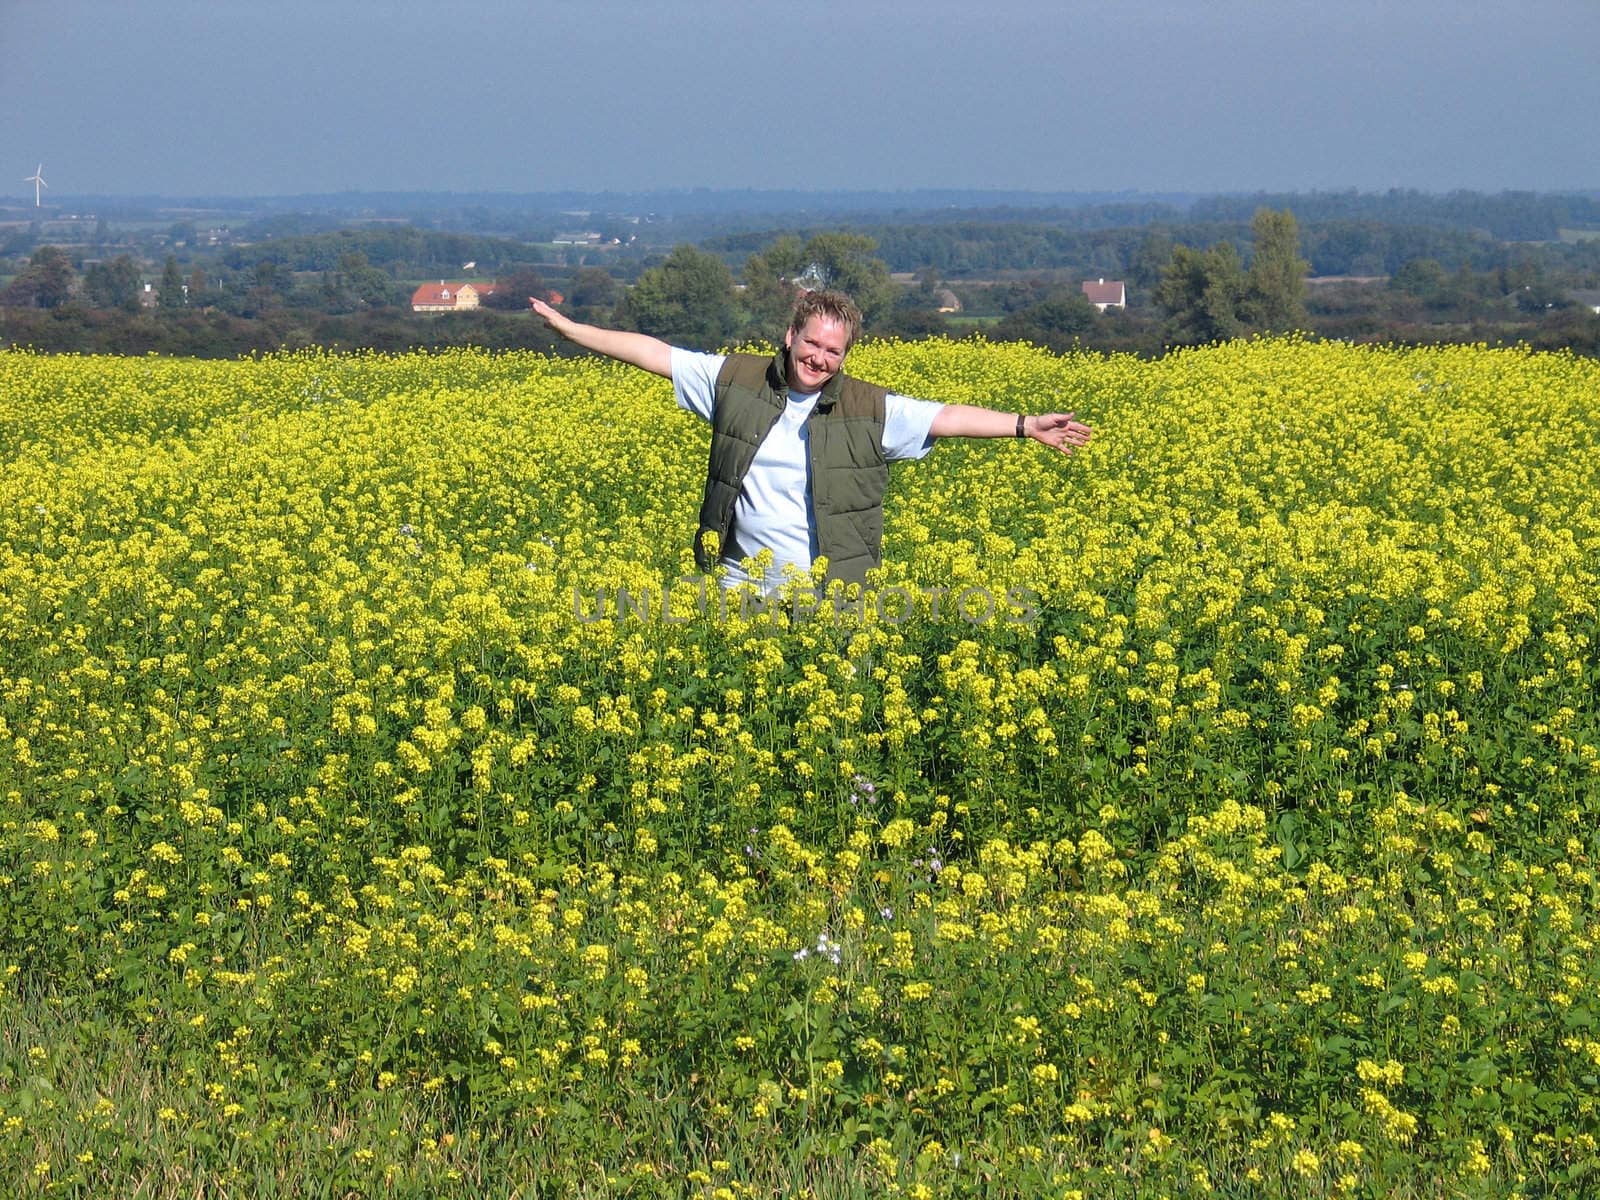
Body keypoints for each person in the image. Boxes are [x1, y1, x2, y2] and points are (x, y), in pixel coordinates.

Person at [530, 289, 1092, 591]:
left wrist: (1025, 425)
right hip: (736, 590)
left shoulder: (868, 407)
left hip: (830, 597)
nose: (819, 359)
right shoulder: (736, 381)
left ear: (846, 354)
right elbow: (655, 354)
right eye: (812, 344)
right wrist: (575, 331)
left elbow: (944, 417)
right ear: (791, 335)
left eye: (834, 351)